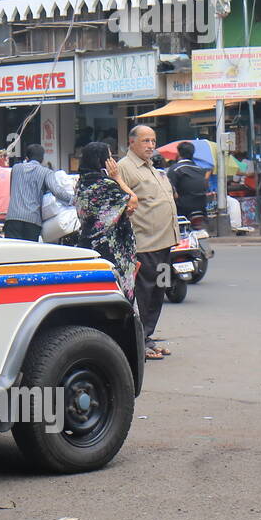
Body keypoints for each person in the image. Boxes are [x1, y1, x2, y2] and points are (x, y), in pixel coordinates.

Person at [118, 125, 178, 358]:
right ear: (131, 142)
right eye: (145, 141)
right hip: (145, 243)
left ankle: (147, 336)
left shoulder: (153, 168)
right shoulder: (125, 167)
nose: (150, 145)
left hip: (165, 243)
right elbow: (120, 204)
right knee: (144, 293)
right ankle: (137, 341)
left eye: (153, 141)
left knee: (159, 290)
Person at [74, 142, 142, 323]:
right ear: (102, 160)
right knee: (120, 298)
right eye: (110, 157)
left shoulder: (81, 183)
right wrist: (117, 177)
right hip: (112, 250)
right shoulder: (106, 185)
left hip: (88, 247)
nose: (113, 161)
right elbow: (133, 201)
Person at [4, 144, 72, 241]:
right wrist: (73, 199)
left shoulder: (15, 168)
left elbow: (12, 190)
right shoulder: (46, 172)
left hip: (13, 218)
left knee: (12, 252)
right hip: (32, 220)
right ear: (42, 158)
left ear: (27, 157)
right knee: (30, 253)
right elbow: (57, 191)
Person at [167, 141, 209, 221]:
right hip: (202, 207)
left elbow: (169, 190)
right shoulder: (200, 169)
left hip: (183, 209)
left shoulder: (175, 169)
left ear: (178, 153)